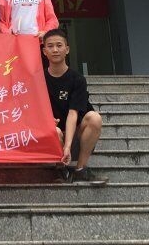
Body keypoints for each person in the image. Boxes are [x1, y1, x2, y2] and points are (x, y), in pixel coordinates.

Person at [42, 29, 107, 186]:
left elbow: (73, 113)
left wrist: (68, 146)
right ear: (44, 52)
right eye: (50, 46)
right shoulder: (39, 78)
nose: (55, 50)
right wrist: (47, 121)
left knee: (95, 118)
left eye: (59, 45)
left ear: (67, 49)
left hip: (76, 136)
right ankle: (60, 169)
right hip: (53, 136)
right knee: (54, 130)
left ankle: (80, 169)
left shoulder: (77, 79)